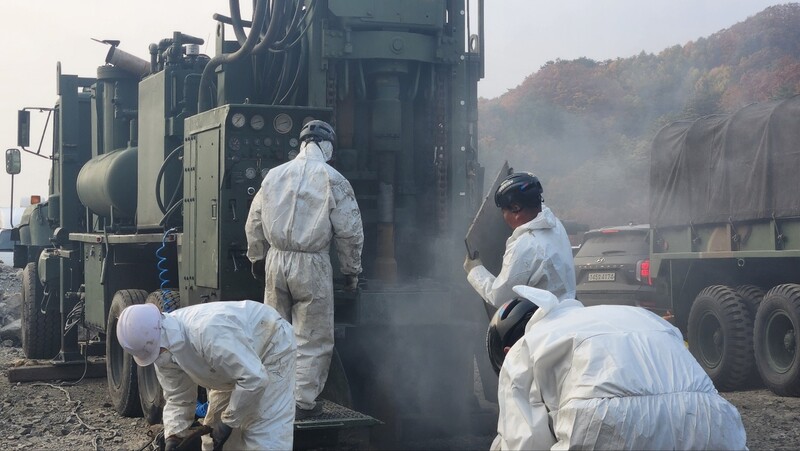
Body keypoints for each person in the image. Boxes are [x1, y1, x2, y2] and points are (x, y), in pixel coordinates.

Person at [487, 285, 748, 450]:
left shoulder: (527, 346)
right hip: (711, 419)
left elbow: (524, 441)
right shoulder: (637, 316)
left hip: (608, 426)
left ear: (507, 351)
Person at [245, 119, 364, 420]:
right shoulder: (332, 178)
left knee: (273, 332)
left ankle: (271, 396)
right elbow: (350, 232)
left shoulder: (274, 175)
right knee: (312, 337)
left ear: (301, 143)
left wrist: (257, 257)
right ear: (328, 146)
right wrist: (351, 271)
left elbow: (254, 220)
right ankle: (302, 403)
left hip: (276, 260)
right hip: (311, 264)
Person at [116, 300, 296, 451]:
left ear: (159, 333)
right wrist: (174, 435)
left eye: (156, 350)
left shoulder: (207, 332)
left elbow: (254, 379)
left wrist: (229, 422)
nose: (157, 356)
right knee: (213, 437)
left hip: (270, 346)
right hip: (234, 368)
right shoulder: (162, 351)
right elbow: (177, 397)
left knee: (262, 433)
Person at [464, 172, 575, 308]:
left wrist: (475, 270)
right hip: (568, 310)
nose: (504, 217)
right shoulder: (555, 226)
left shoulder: (525, 247)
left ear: (516, 208)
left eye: (503, 211)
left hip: (544, 322)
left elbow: (499, 297)